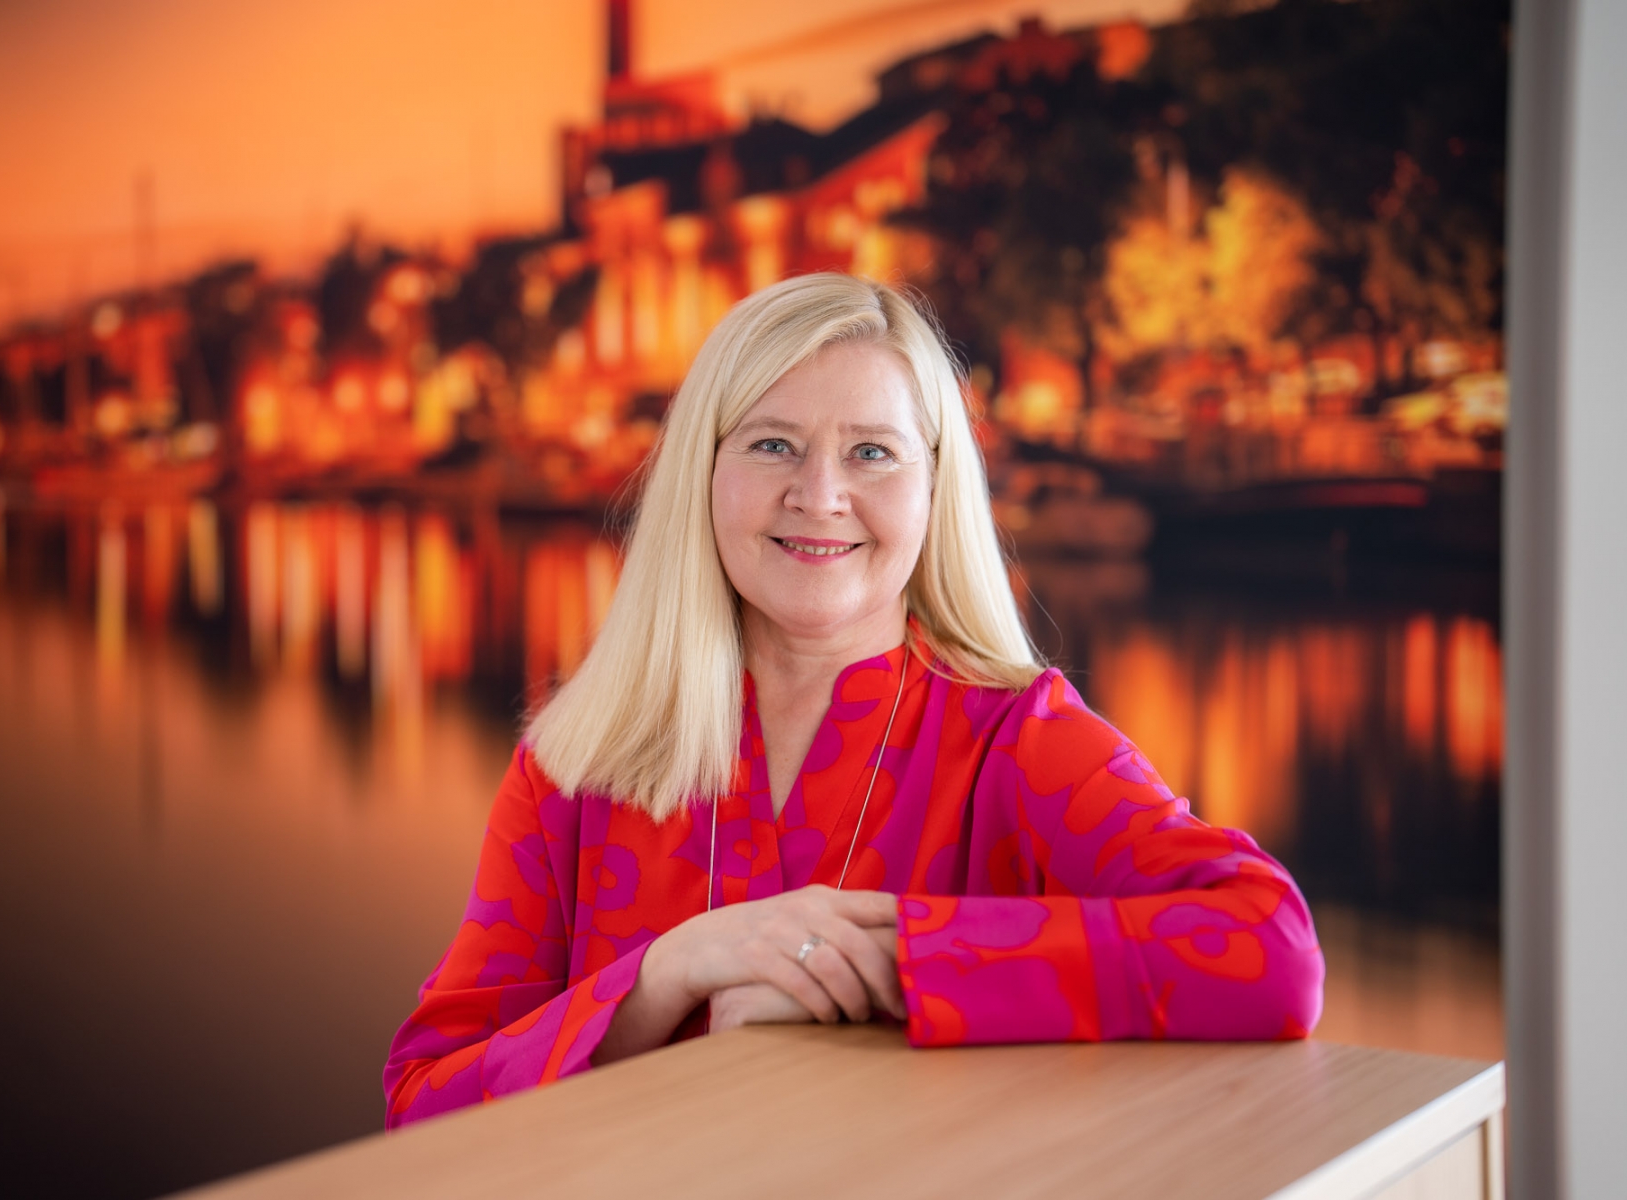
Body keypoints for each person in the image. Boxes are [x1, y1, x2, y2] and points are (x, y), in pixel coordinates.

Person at [383, 273, 1323, 1129]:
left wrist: (893, 967)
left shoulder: (1019, 737)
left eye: (872, 452)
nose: (821, 495)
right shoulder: (570, 766)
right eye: (773, 444)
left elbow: (1270, 949)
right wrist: (662, 979)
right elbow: (422, 1104)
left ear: (934, 489)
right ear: (702, 472)